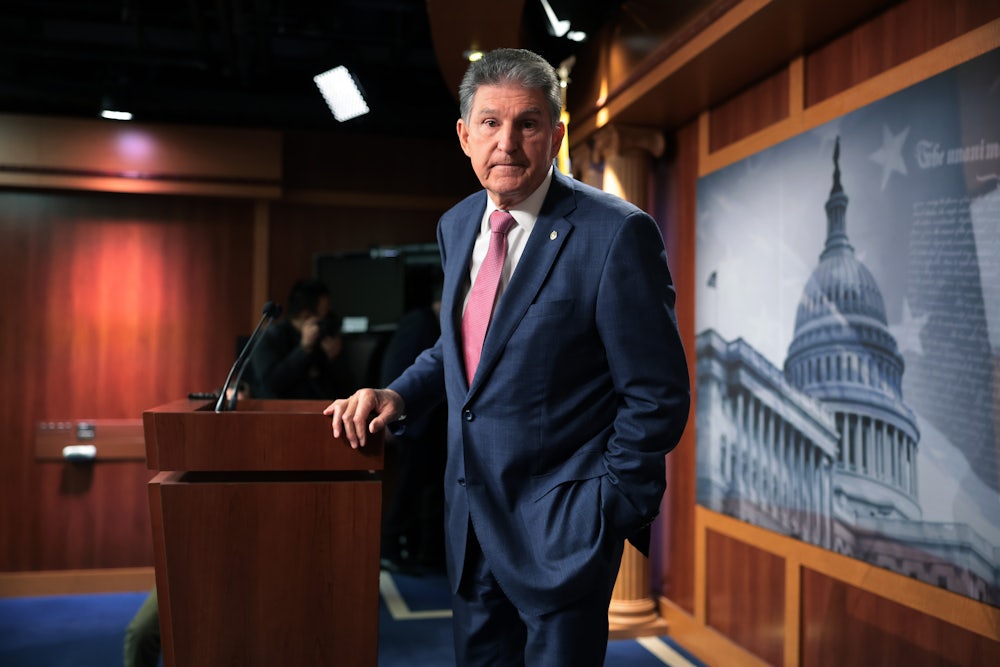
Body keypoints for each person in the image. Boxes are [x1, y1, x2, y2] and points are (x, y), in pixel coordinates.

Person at [324, 48, 689, 667]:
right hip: (470, 530)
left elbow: (658, 396)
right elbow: (464, 346)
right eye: (491, 123)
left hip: (566, 536)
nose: (508, 142)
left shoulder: (615, 233)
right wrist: (399, 394)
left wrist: (603, 511)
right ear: (465, 135)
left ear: (556, 134)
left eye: (528, 123)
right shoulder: (457, 224)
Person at [379, 281, 447, 572]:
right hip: (413, 425)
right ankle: (391, 549)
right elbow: (396, 366)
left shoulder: (432, 322)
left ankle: (422, 553)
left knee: (425, 491)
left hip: (431, 426)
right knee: (408, 490)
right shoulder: (418, 321)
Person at [251, 278, 357, 399]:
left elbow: (347, 389)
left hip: (322, 409)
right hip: (281, 410)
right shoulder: (270, 337)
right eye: (325, 312)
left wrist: (335, 359)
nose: (328, 316)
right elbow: (270, 385)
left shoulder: (327, 337)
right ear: (306, 315)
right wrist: (303, 349)